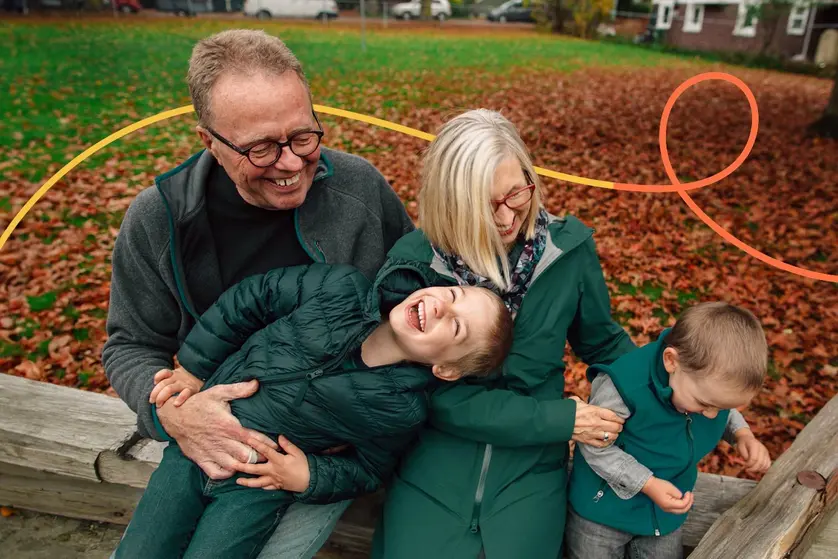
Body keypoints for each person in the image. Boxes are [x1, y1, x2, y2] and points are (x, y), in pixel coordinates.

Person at [102, 29, 414, 558]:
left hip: (314, 452)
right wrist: (171, 414)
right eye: (262, 148)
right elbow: (129, 343)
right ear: (209, 141)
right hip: (204, 435)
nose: (292, 164)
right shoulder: (161, 219)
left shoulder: (359, 189)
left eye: (304, 136)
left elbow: (416, 293)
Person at [368, 109, 638, 559]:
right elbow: (428, 395)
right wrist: (559, 419)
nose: (507, 215)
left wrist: (664, 398)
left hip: (531, 476)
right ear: (450, 201)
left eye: (517, 193)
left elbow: (603, 342)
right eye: (485, 204)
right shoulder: (414, 267)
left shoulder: (567, 251)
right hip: (431, 470)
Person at [114, 262, 514, 558]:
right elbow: (251, 298)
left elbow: (369, 469)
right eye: (454, 295)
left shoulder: (401, 407)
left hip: (258, 485)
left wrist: (309, 475)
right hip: (193, 449)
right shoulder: (340, 287)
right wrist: (194, 368)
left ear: (444, 369)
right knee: (144, 548)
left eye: (457, 327)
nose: (444, 307)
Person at [566, 302, 772, 559]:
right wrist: (648, 484)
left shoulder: (702, 388)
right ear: (671, 361)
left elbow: (723, 407)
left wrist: (742, 434)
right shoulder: (624, 388)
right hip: (601, 510)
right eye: (705, 404)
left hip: (665, 512)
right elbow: (596, 447)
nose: (710, 414)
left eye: (719, 408)